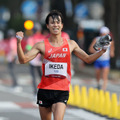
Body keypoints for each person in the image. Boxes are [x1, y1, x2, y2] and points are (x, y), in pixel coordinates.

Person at [16, 10, 110, 120]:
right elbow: (23, 60)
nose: (55, 25)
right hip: (45, 90)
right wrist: (18, 43)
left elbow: (88, 59)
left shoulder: (71, 44)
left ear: (61, 25)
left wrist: (102, 51)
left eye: (58, 22)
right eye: (52, 22)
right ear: (47, 25)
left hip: (62, 90)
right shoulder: (41, 45)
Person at [89, 26, 115, 90]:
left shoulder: (110, 41)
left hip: (106, 60)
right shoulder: (96, 39)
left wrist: (111, 53)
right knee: (97, 74)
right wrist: (97, 51)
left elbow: (112, 50)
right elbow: (90, 49)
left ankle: (103, 89)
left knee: (104, 75)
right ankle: (98, 84)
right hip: (98, 59)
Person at [26, 22, 46, 95]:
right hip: (41, 60)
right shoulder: (44, 38)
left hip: (33, 60)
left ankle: (35, 92)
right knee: (42, 77)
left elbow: (28, 47)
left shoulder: (31, 38)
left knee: (34, 77)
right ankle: (43, 91)